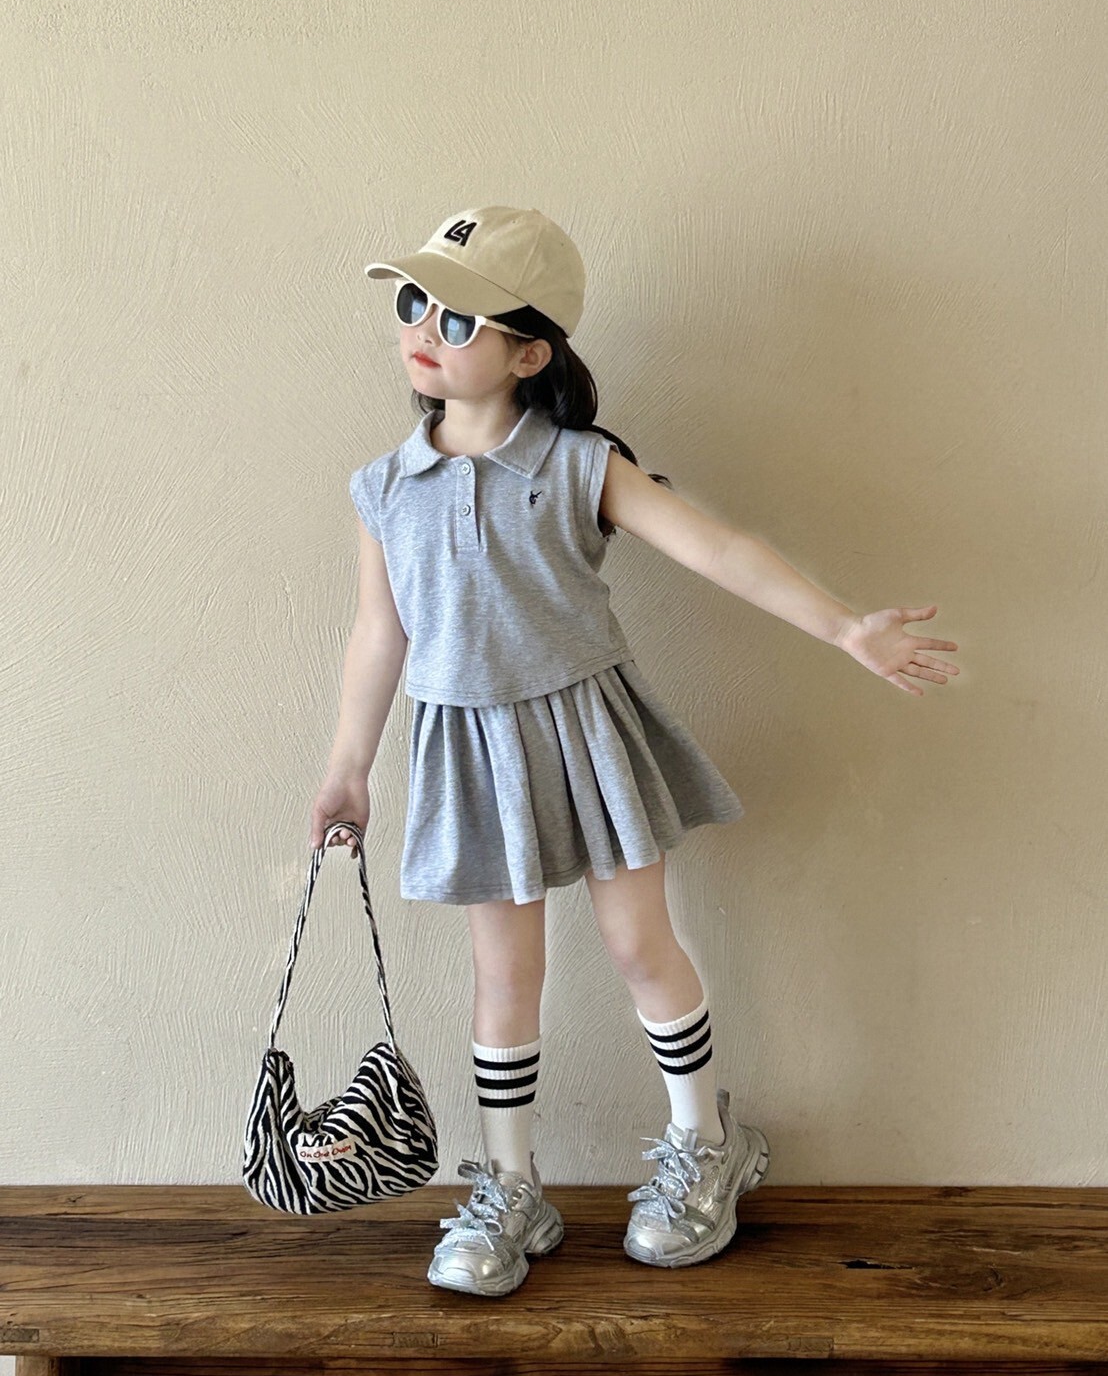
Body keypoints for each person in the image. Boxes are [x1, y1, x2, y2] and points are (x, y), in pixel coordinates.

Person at [309, 205, 960, 1297]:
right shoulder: (383, 487)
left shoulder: (579, 466)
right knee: (501, 973)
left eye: (457, 316)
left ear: (530, 352)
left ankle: (705, 1141)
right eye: (413, 303)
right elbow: (381, 633)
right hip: (467, 744)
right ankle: (512, 1184)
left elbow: (718, 549)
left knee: (637, 942)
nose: (422, 328)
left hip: (584, 732)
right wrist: (348, 769)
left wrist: (847, 628)